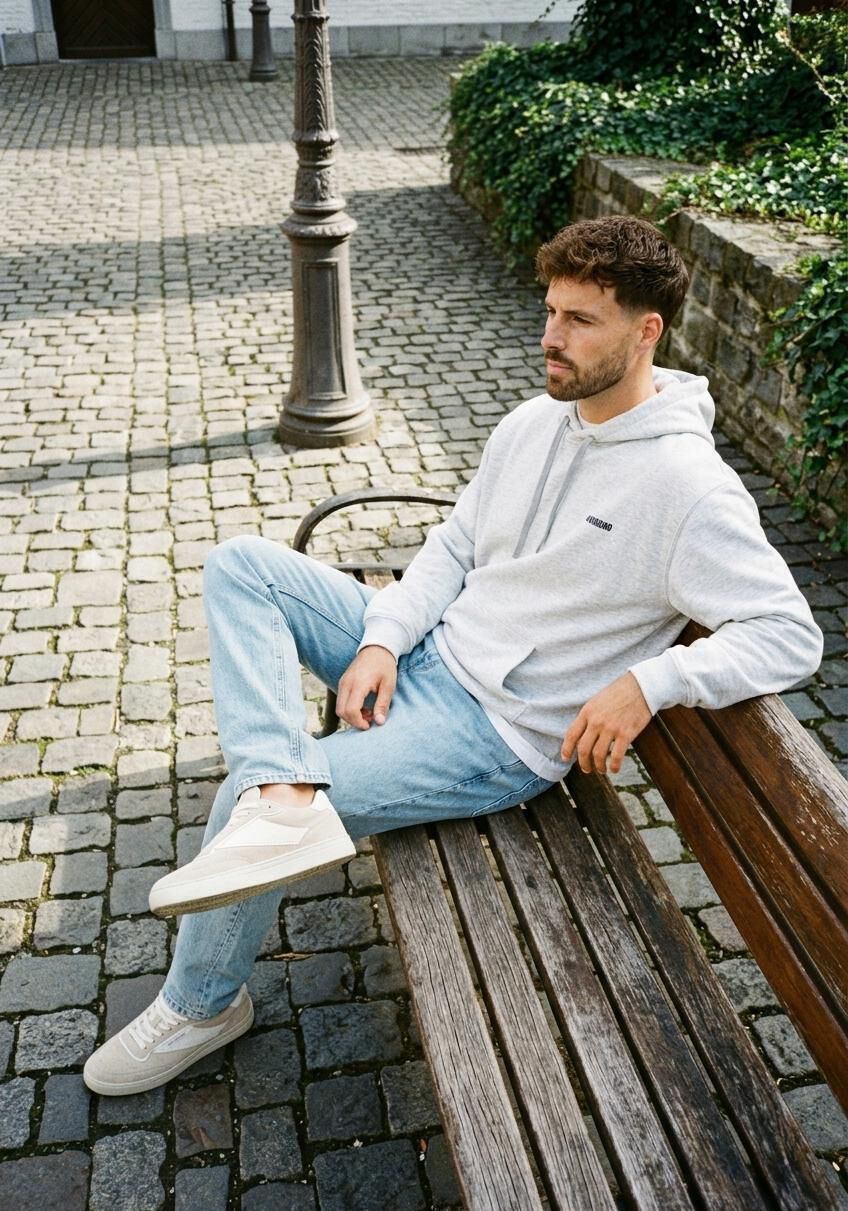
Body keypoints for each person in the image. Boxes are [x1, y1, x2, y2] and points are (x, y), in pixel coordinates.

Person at [84, 215, 822, 1095]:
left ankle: (203, 1002)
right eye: (549, 310)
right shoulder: (536, 419)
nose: (551, 336)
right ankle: (279, 789)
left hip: (495, 734)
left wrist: (651, 682)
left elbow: (791, 633)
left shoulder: (691, 490)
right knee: (244, 567)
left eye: (580, 320)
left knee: (239, 800)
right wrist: (383, 637)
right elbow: (456, 543)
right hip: (433, 649)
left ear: (646, 331)